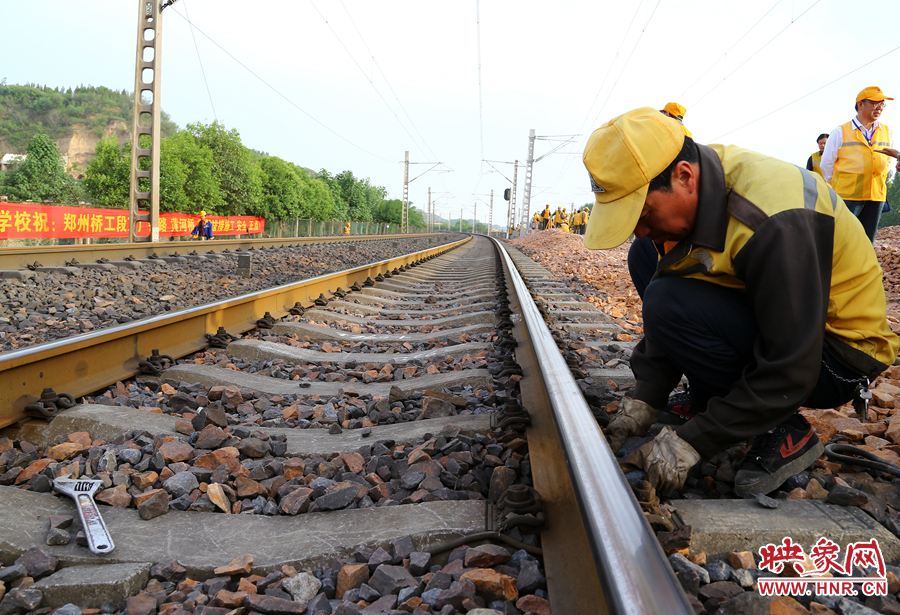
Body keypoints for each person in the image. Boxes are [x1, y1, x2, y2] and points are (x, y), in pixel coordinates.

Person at [582, 107, 898, 496]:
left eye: (643, 212)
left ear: (684, 177)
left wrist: (694, 441)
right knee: (647, 256)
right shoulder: (699, 176)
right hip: (782, 322)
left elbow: (791, 365)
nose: (640, 228)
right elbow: (680, 291)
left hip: (835, 356)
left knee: (668, 298)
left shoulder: (774, 219)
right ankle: (718, 399)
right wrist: (647, 395)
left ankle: (781, 428)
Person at [821, 86, 900, 243]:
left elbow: (889, 162)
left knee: (866, 242)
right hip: (848, 196)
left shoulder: (887, 131)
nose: (879, 108)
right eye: (874, 103)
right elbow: (826, 165)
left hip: (876, 195)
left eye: (882, 104)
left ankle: (862, 268)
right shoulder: (840, 132)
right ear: (860, 105)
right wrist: (839, 186)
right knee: (842, 239)